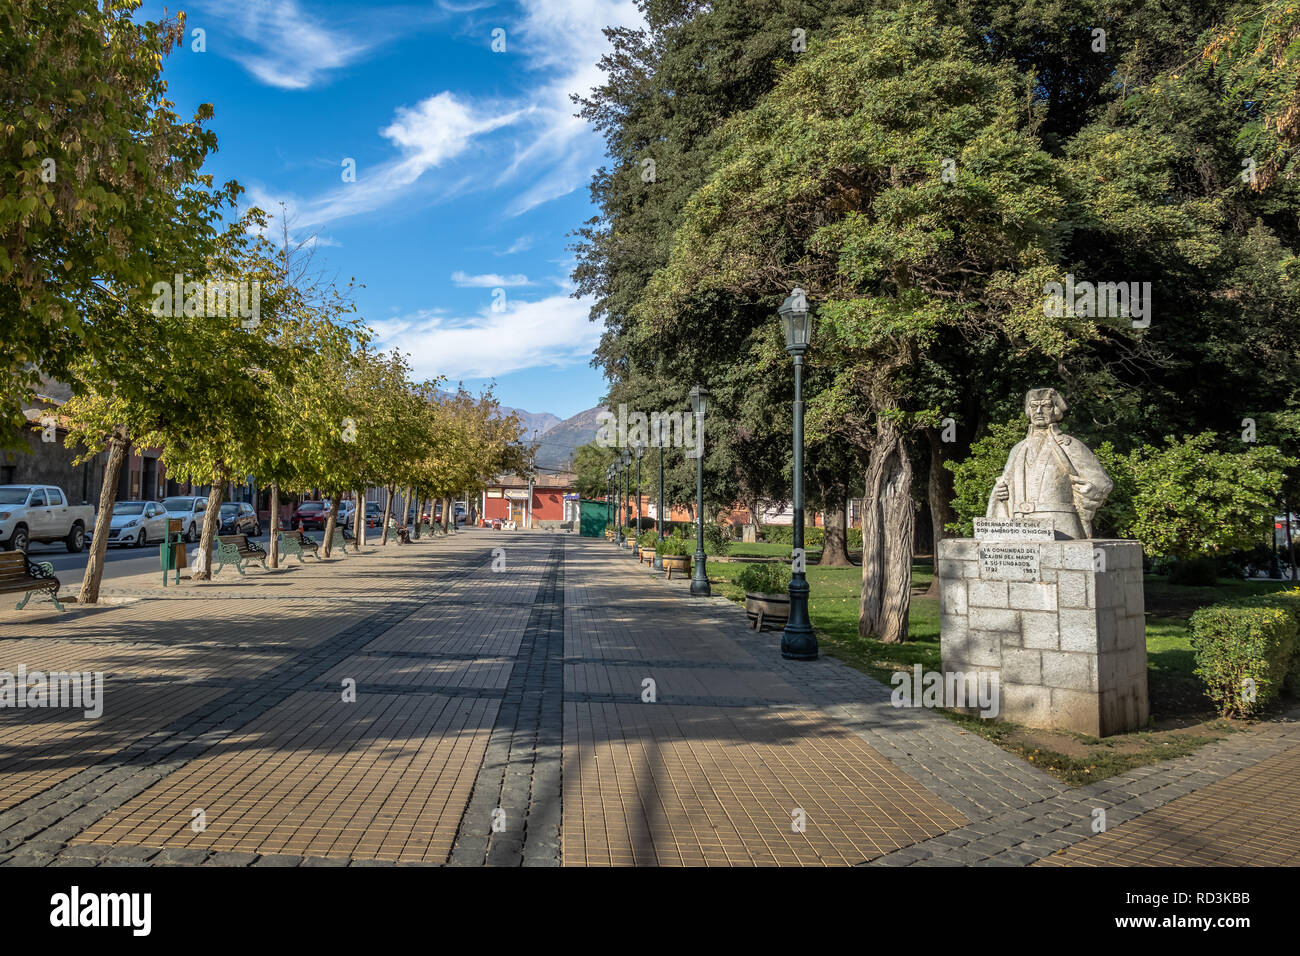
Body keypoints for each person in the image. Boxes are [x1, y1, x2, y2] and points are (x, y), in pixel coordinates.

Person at [987, 388, 1112, 539]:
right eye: (1034, 406)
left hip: (1060, 525)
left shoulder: (1069, 445)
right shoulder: (1017, 449)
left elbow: (1102, 483)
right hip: (1019, 525)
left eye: (1045, 406)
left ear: (1055, 410)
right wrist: (1000, 492)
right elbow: (1004, 484)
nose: (1038, 411)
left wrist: (1085, 494)